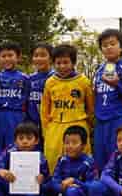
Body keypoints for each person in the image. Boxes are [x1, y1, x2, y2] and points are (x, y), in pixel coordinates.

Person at [40, 44, 94, 173]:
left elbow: (91, 107)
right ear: (53, 63)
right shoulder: (50, 82)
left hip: (77, 124)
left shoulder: (83, 82)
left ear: (73, 62)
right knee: (53, 161)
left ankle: (79, 189)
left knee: (79, 162)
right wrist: (46, 131)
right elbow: (44, 109)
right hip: (55, 127)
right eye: (58, 63)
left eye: (66, 62)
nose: (62, 66)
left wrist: (90, 127)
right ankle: (55, 189)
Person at [93, 29, 122, 170]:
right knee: (100, 160)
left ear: (121, 47)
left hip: (121, 119)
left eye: (112, 44)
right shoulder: (99, 70)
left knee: (119, 159)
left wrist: (117, 85)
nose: (108, 47)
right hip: (101, 121)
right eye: (104, 45)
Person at [46, 126, 96, 196]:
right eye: (67, 143)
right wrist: (61, 187)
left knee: (73, 191)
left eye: (74, 143)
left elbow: (92, 186)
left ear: (83, 145)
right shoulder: (62, 160)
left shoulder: (89, 162)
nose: (70, 146)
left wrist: (76, 182)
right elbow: (54, 181)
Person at [0, 41, 29, 158]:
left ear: (18, 57)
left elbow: (28, 99)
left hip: (16, 116)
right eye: (3, 56)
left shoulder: (25, 78)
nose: (7, 59)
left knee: (14, 147)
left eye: (10, 55)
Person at [26, 43, 54, 136]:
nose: (38, 58)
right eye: (36, 55)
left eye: (43, 55)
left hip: (51, 123)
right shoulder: (29, 79)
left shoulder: (56, 78)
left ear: (51, 58)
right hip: (33, 124)